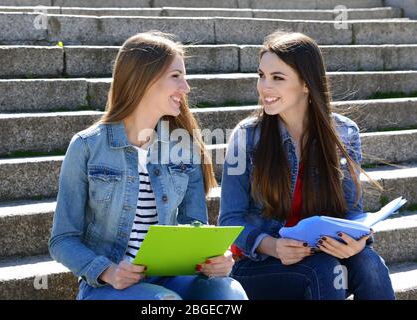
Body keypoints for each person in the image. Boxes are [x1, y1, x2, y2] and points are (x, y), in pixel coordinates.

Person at [49, 31, 248, 300]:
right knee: (162, 302)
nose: (186, 88)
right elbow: (62, 240)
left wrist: (216, 259)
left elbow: (196, 226)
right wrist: (108, 270)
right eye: (176, 76)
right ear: (144, 79)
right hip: (106, 288)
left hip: (170, 278)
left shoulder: (184, 149)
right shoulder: (87, 146)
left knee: (229, 292)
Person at [219, 31, 395, 300]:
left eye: (277, 78)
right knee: (322, 269)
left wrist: (355, 241)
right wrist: (274, 246)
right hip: (258, 267)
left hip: (320, 254)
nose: (264, 87)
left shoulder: (344, 132)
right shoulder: (245, 137)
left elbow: (351, 211)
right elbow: (229, 221)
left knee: (370, 264)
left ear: (305, 83)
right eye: (261, 75)